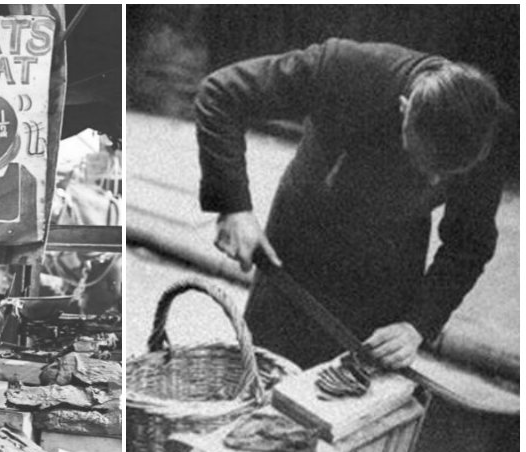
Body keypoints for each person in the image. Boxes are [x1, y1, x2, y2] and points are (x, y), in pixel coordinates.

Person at [196, 38, 507, 369]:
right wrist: (233, 206)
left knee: (358, 399)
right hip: (300, 245)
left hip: (388, 266)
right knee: (267, 378)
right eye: (422, 165)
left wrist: (416, 325)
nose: (433, 184)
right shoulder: (346, 68)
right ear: (405, 109)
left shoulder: (488, 126)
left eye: (448, 176)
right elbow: (220, 93)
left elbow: (468, 245)